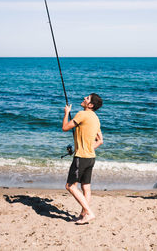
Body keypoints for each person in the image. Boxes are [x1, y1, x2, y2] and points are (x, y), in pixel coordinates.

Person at [62, 93, 103, 224]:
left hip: (82, 157)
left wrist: (66, 112)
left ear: (90, 105)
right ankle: (83, 215)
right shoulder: (96, 118)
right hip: (91, 157)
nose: (84, 98)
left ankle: (89, 213)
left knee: (70, 186)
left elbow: (65, 128)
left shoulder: (82, 114)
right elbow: (100, 140)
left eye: (87, 98)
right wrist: (88, 148)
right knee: (86, 187)